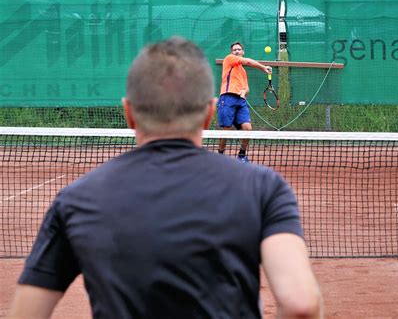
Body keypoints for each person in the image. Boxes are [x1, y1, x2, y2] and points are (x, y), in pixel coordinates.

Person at [9, 37, 322, 319]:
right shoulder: (266, 189)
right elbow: (301, 305)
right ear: (210, 113)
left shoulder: (74, 201)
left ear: (129, 112)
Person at [217, 41, 273, 163]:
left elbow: (247, 88)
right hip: (227, 98)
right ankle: (220, 155)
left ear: (243, 52)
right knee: (227, 129)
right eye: (234, 50)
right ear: (231, 53)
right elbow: (248, 61)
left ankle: (242, 155)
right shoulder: (229, 59)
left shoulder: (243, 71)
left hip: (241, 101)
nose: (237, 51)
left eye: (239, 50)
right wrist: (263, 68)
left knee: (247, 128)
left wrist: (244, 92)